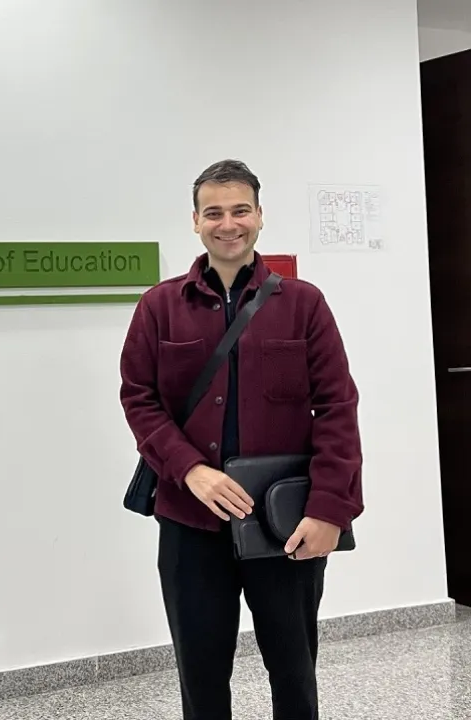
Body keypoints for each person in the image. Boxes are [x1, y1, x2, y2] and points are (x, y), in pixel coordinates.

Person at [118, 159, 363, 720]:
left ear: (259, 216)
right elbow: (139, 399)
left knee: (294, 672)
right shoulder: (159, 306)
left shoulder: (303, 304)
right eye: (213, 213)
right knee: (201, 676)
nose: (228, 224)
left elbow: (337, 408)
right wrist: (190, 469)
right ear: (195, 221)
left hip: (285, 523)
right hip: (191, 522)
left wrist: (329, 509)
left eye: (240, 210)